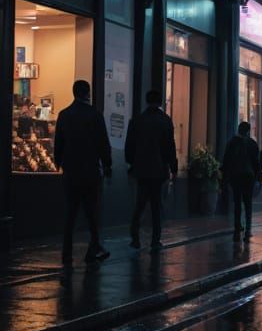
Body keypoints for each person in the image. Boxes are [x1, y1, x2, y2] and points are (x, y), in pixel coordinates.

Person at [54, 80, 113, 270]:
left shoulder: (64, 115)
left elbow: (59, 142)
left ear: (73, 93)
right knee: (91, 213)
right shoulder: (95, 115)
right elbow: (103, 142)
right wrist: (107, 164)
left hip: (71, 172)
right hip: (90, 172)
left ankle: (67, 254)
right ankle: (94, 248)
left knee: (70, 214)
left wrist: (58, 162)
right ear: (87, 92)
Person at [124, 89, 178, 251]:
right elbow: (170, 147)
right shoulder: (166, 121)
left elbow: (129, 146)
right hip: (158, 169)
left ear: (147, 101)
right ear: (161, 102)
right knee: (156, 206)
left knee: (139, 204)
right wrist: (173, 167)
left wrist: (131, 164)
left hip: (141, 169)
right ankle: (155, 239)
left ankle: (135, 237)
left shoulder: (137, 120)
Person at [222, 121, 260, 240]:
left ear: (238, 129)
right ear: (248, 131)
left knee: (237, 202)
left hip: (235, 175)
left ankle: (237, 227)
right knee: (248, 202)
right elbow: (256, 163)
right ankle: (248, 229)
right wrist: (257, 177)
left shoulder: (231, 142)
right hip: (248, 176)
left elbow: (226, 160)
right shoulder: (252, 144)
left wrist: (225, 177)